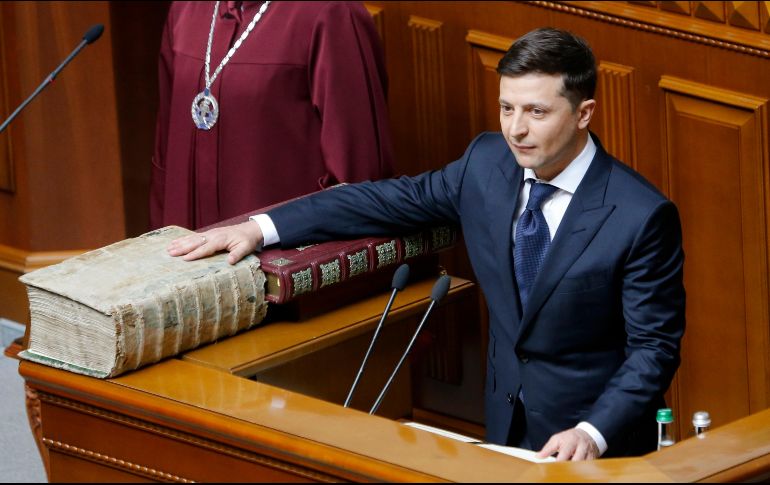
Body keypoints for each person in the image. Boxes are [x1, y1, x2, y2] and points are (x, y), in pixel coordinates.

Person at [167, 27, 685, 461]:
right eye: (506, 108)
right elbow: (381, 201)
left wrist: (591, 432)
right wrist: (262, 227)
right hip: (504, 429)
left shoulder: (640, 216)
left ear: (585, 113)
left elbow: (653, 351)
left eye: (536, 112)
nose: (516, 130)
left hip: (599, 448)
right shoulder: (486, 166)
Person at [150, 1, 394, 230]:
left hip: (284, 261)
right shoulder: (185, 8)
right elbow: (165, 162)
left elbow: (357, 182)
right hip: (184, 257)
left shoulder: (333, 13)